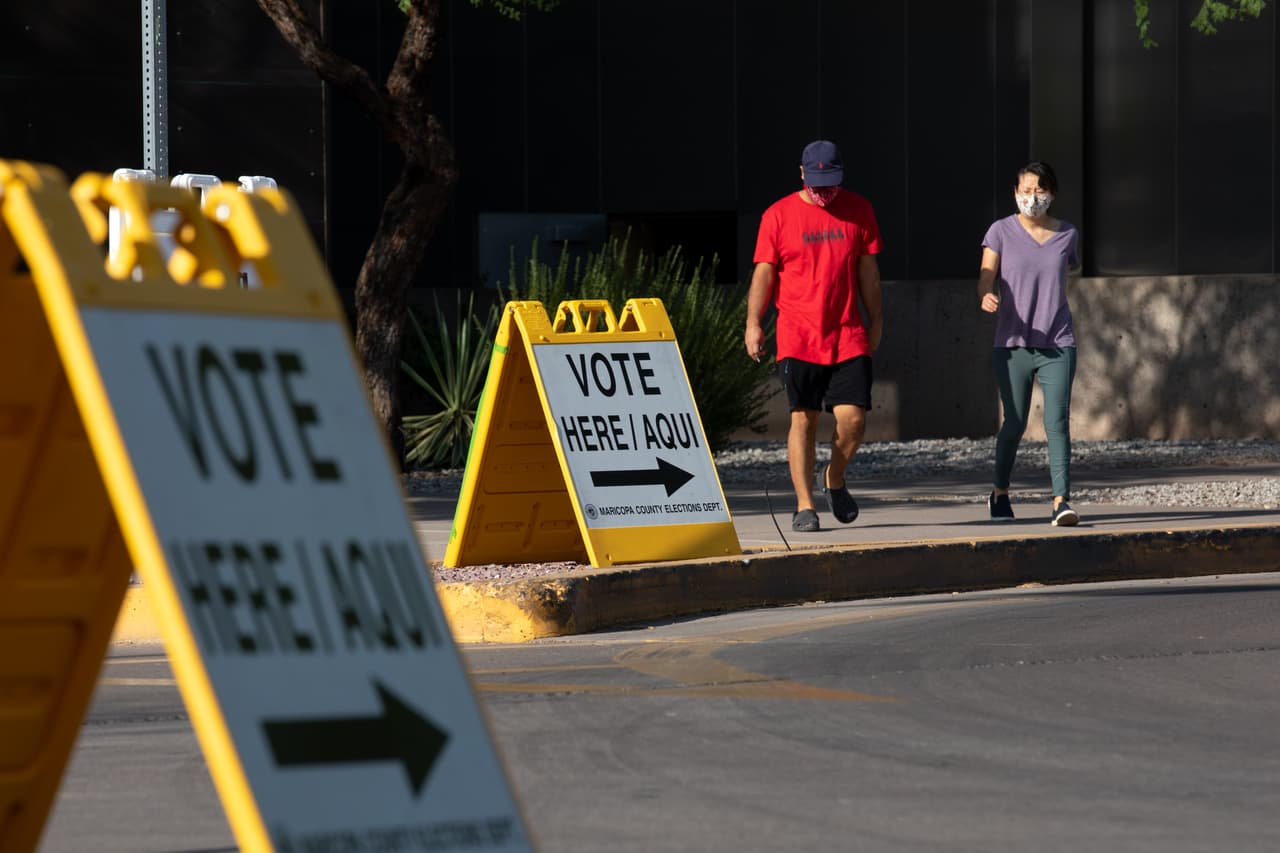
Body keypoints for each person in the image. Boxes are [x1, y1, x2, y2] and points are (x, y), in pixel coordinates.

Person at [745, 140, 883, 532]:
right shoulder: (778, 215)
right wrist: (753, 322)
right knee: (803, 419)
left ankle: (834, 476)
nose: (825, 190)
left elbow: (868, 273)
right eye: (817, 181)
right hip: (797, 334)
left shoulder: (859, 210)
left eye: (832, 182)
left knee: (853, 421)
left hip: (847, 331)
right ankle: (805, 505)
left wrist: (877, 319)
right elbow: (764, 273)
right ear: (802, 173)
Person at [977, 160, 1081, 526]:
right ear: (1015, 193)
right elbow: (985, 276)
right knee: (1015, 421)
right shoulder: (1000, 231)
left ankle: (1061, 501)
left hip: (1058, 341)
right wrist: (986, 294)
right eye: (1025, 191)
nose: (1032, 198)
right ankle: (999, 493)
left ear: (1052, 193)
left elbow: (1064, 272)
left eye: (1039, 190)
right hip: (1012, 343)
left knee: (1057, 421)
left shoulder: (1067, 234)